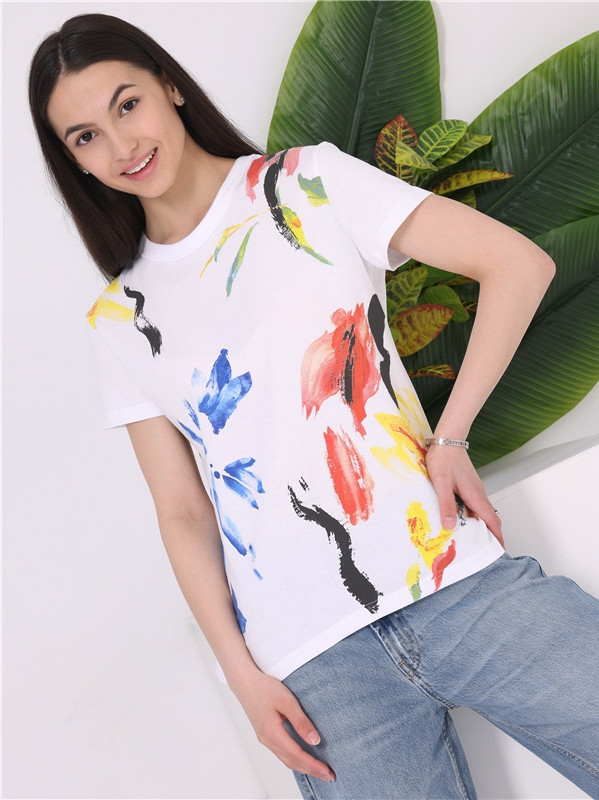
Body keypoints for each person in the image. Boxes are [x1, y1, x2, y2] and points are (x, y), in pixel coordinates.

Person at [29, 13, 599, 800]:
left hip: (453, 582)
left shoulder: (305, 184)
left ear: (169, 86)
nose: (122, 144)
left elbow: (516, 264)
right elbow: (182, 513)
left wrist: (451, 439)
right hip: (315, 671)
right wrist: (242, 676)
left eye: (127, 104)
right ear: (74, 162)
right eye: (86, 136)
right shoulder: (122, 321)